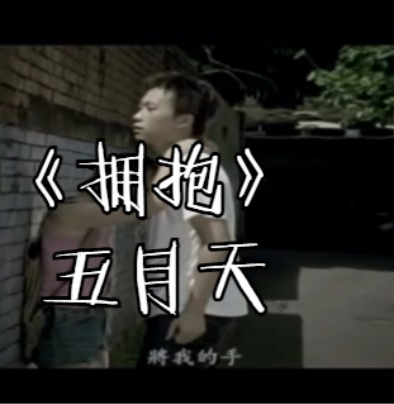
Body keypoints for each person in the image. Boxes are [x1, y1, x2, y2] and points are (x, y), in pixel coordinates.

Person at [131, 71, 247, 368]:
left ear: (183, 121)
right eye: (140, 106)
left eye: (150, 108)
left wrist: (195, 311)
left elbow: (217, 242)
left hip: (192, 306)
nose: (137, 115)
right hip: (181, 304)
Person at [30, 157, 160, 368]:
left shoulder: (99, 216)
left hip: (89, 315)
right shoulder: (74, 211)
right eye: (147, 188)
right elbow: (152, 206)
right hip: (67, 318)